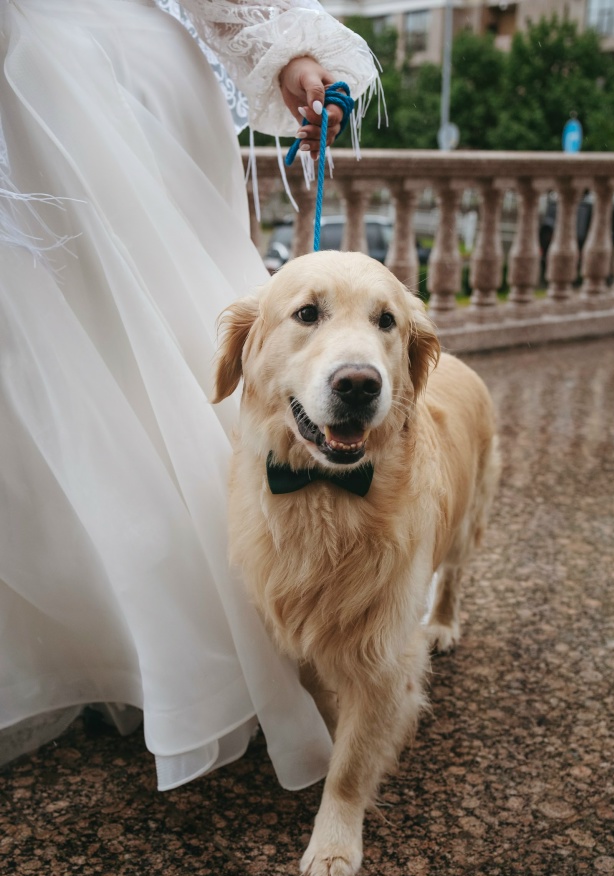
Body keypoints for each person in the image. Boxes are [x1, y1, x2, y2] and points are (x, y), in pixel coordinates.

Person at [0, 0, 378, 791]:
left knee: (151, 353)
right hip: (74, 77)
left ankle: (231, 636)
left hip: (76, 83)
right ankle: (132, 643)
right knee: (66, 381)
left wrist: (287, 53)